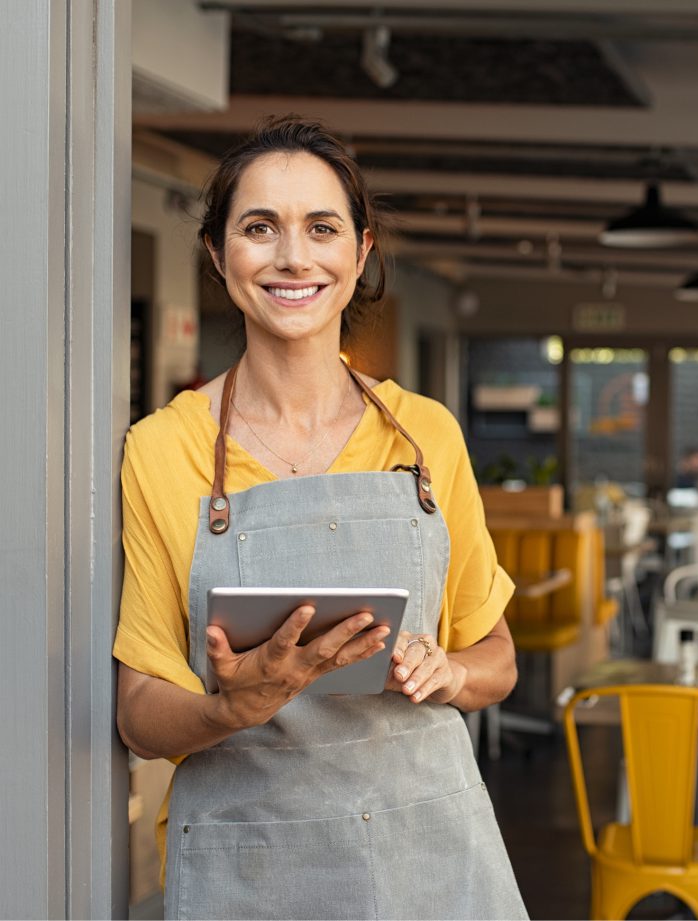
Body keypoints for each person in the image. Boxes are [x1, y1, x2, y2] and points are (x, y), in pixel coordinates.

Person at [113, 117, 527, 920]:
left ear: (360, 252)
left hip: (428, 853)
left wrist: (452, 672)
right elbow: (138, 712)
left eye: (322, 228)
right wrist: (230, 706)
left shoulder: (425, 435)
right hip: (252, 864)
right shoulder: (163, 449)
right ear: (216, 253)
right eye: (259, 227)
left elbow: (497, 655)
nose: (293, 257)